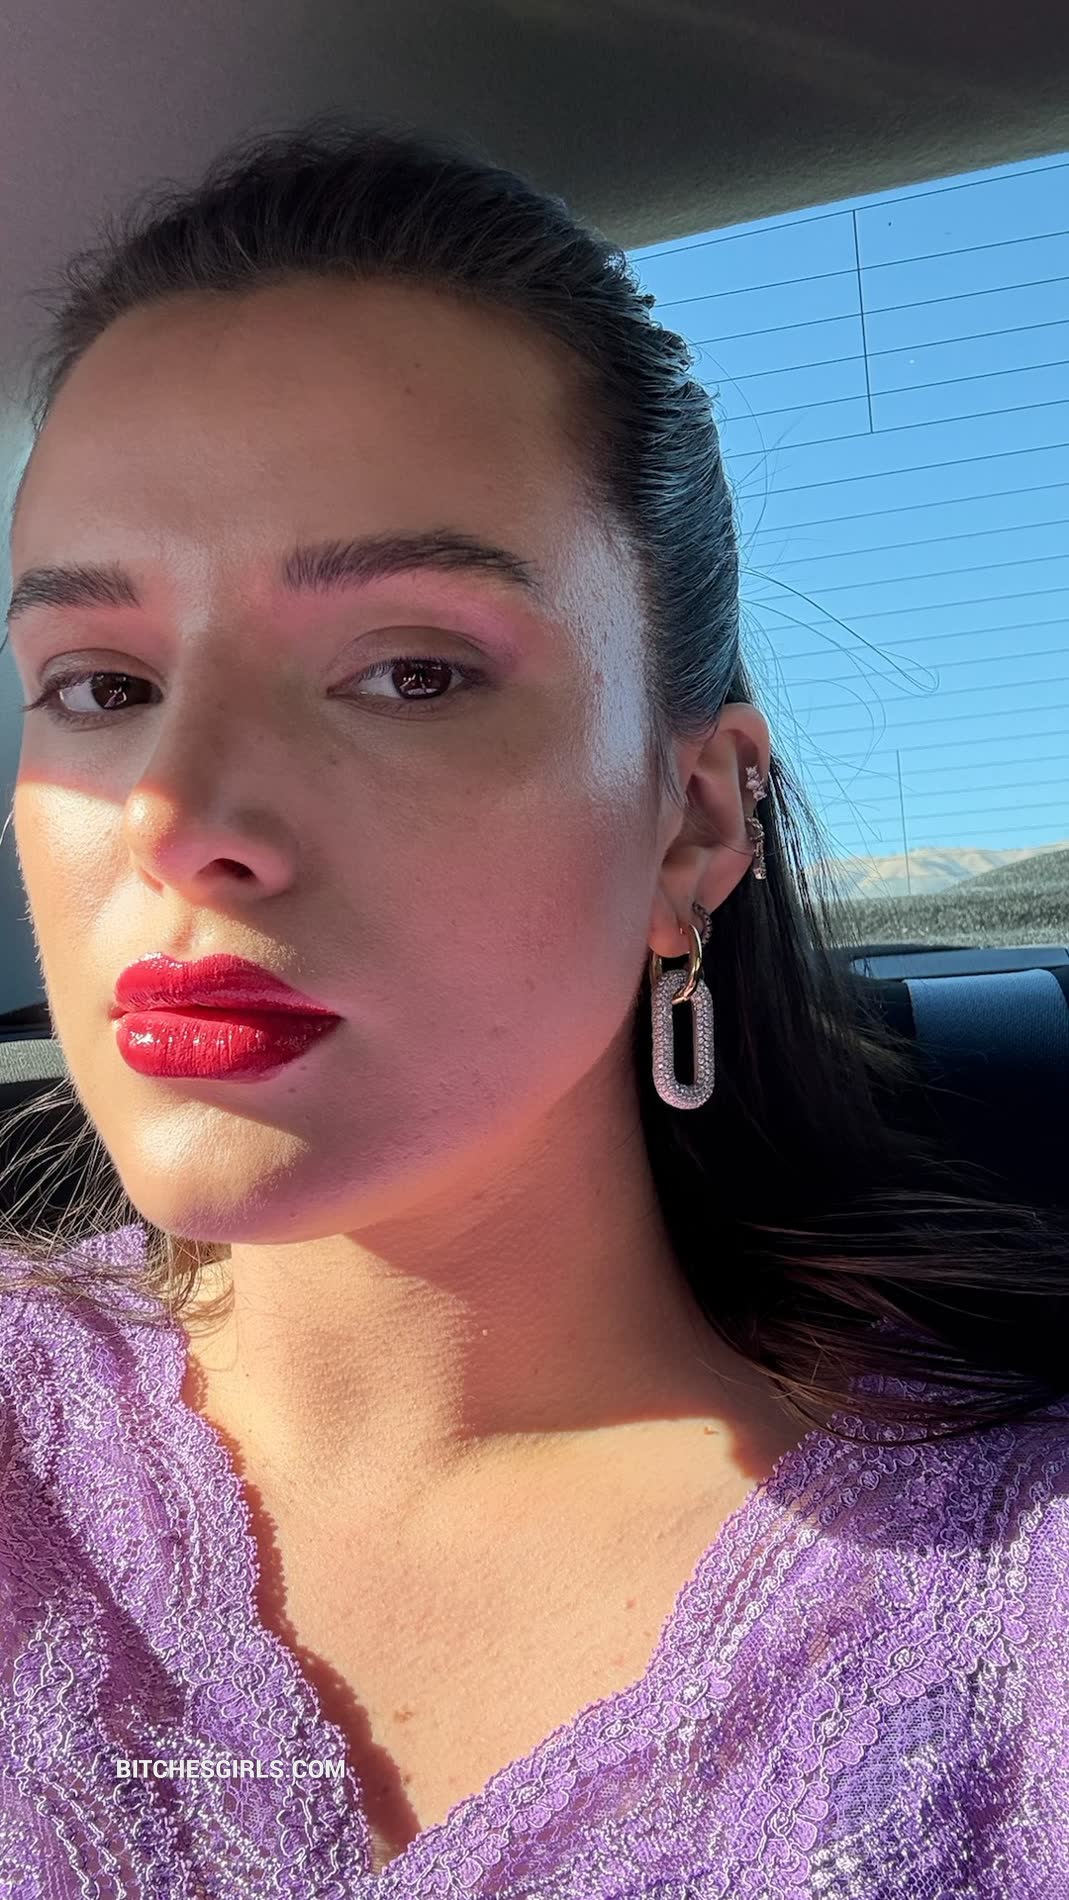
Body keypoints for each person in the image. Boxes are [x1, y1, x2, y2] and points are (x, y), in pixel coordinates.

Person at [0, 115, 1066, 1898]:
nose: (176, 816)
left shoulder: (1018, 1610)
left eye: (410, 673)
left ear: (692, 819)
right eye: (98, 686)